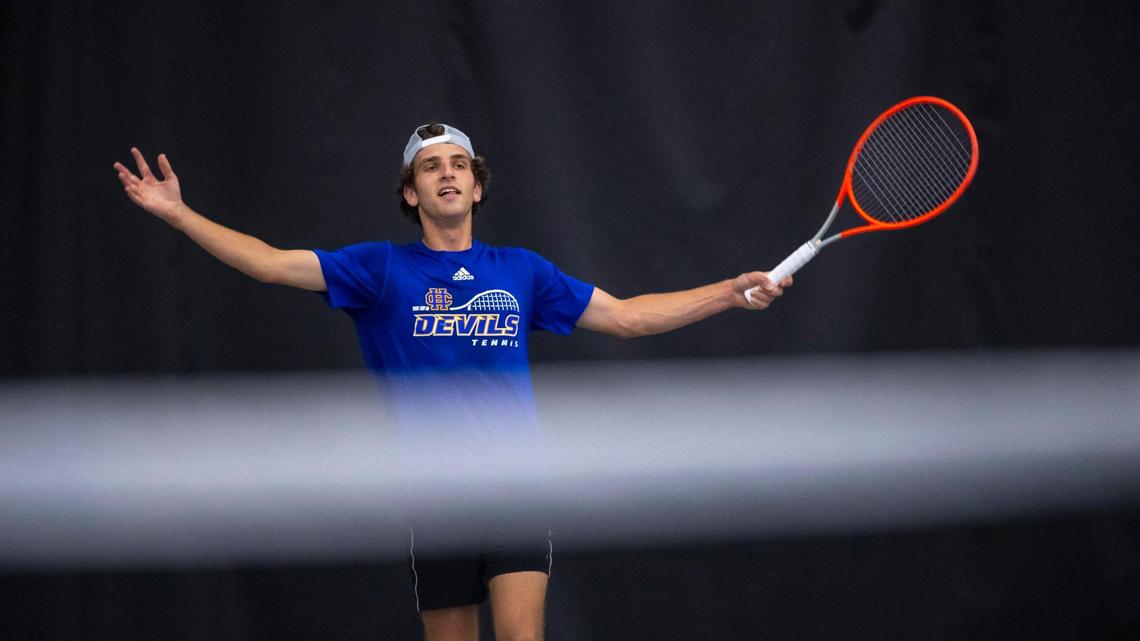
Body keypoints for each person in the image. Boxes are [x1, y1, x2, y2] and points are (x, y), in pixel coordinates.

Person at [113, 122, 790, 641]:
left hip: (515, 483)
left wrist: (728, 293)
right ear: (412, 192)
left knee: (523, 634)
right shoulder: (376, 270)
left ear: (476, 186)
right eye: (430, 166)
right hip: (433, 491)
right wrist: (178, 213)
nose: (447, 174)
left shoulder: (521, 270)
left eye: (458, 165)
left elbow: (628, 318)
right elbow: (267, 264)